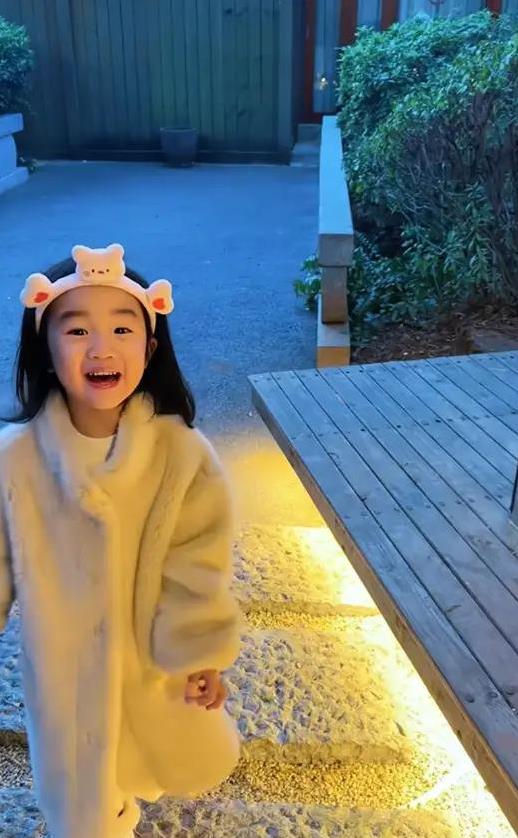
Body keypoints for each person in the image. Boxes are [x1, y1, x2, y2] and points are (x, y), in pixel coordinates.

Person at [0, 243, 242, 838]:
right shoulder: (15, 460)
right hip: (64, 675)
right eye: (77, 330)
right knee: (80, 807)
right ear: (46, 350)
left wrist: (200, 653)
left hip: (150, 663)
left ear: (150, 348)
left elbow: (198, 563)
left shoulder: (181, 456)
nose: (101, 348)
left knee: (138, 764)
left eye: (122, 329)